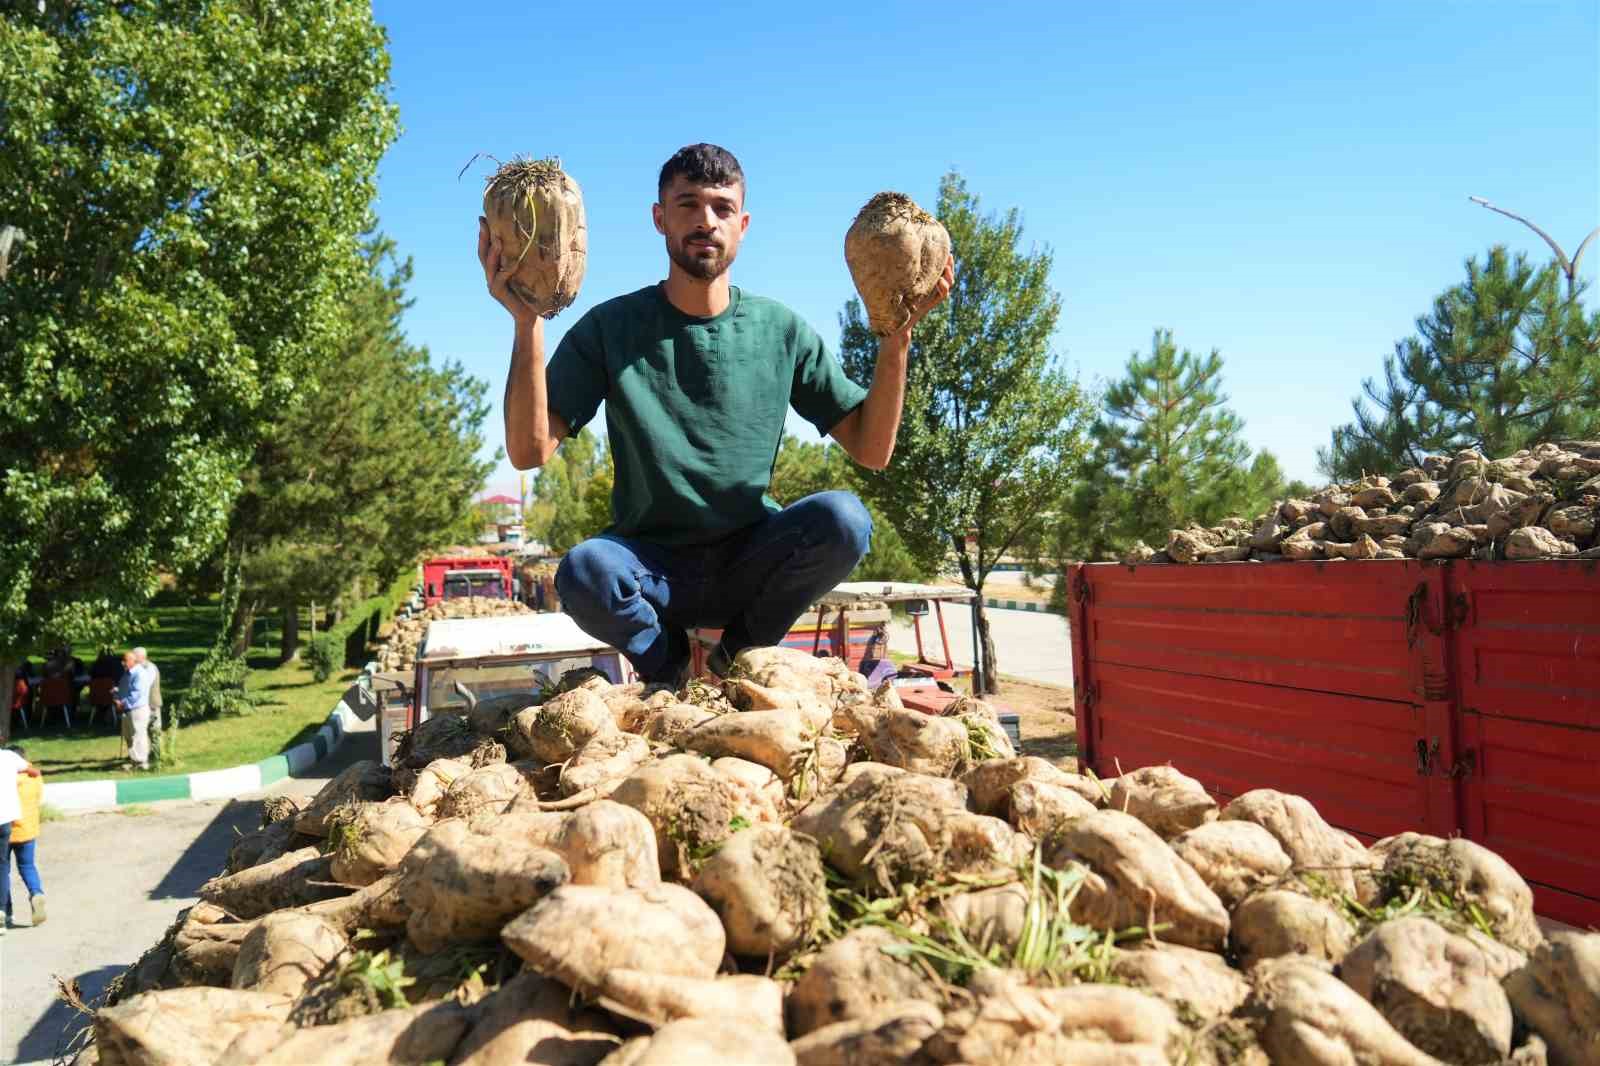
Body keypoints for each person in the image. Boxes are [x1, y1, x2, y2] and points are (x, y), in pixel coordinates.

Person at [487, 144, 952, 685]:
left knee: (845, 520)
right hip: (648, 566)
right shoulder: (610, 328)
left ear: (743, 223)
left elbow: (873, 450)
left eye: (722, 207)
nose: (705, 221)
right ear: (659, 218)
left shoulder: (781, 330)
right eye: (687, 204)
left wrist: (896, 341)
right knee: (586, 571)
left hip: (750, 562)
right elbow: (529, 450)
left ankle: (740, 653)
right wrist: (528, 322)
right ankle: (671, 668)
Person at [0, 742, 42, 933]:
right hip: (24, 828)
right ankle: (36, 893)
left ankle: (6, 911)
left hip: (9, 828)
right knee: (27, 865)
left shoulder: (10, 773)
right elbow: (38, 794)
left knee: (3, 870)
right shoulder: (31, 778)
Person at [114, 649, 153, 769]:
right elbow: (123, 689)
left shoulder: (139, 673)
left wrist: (122, 703)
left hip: (137, 710)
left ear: (133, 661)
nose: (122, 663)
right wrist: (116, 695)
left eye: (125, 660)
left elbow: (136, 693)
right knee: (129, 736)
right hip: (128, 709)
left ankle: (142, 762)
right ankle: (134, 761)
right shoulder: (128, 673)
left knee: (138, 735)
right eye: (122, 660)